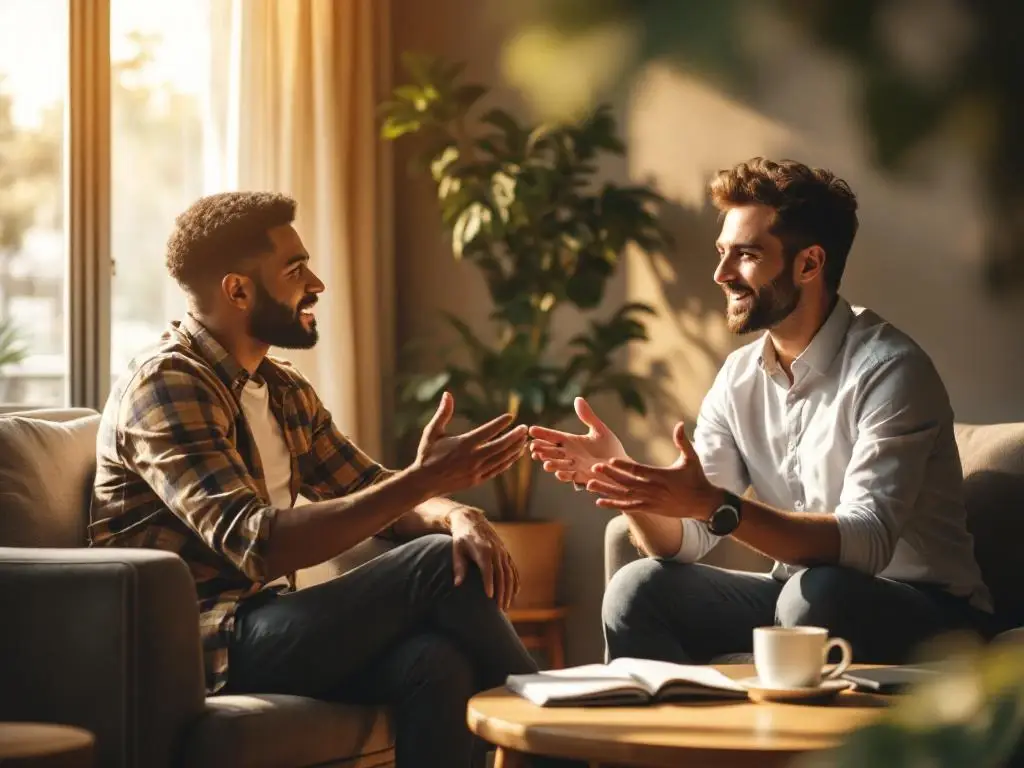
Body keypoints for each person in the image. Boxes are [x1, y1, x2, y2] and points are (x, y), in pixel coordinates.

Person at [90, 192, 539, 768]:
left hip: (265, 622)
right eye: (296, 268)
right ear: (238, 290)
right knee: (433, 563)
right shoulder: (166, 385)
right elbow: (257, 544)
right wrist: (422, 485)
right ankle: (562, 741)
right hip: (198, 642)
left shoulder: (282, 388)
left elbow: (371, 489)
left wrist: (453, 511)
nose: (318, 283)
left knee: (436, 661)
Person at [530, 158, 994, 668]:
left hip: (927, 612)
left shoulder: (892, 370)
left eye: (746, 255)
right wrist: (625, 485)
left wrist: (717, 505)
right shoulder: (738, 377)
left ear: (810, 264)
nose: (722, 274)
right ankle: (662, 747)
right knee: (639, 587)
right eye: (722, 253)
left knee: (815, 595)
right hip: (801, 597)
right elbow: (686, 539)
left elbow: (865, 542)